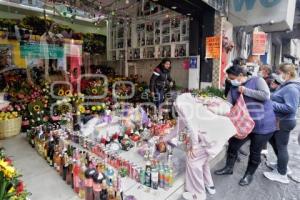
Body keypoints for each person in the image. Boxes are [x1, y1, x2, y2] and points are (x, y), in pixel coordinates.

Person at [215, 65, 276, 186]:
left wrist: (246, 90)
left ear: (241, 76)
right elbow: (228, 104)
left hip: (262, 125)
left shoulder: (257, 80)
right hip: (243, 124)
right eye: (229, 78)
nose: (231, 80)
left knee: (255, 151)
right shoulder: (233, 87)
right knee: (233, 144)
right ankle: (228, 168)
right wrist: (216, 107)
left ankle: (249, 175)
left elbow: (266, 95)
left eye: (233, 78)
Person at [263, 63, 300, 184]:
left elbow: (291, 108)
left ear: (288, 74)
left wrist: (270, 103)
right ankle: (281, 165)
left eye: (281, 73)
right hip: (280, 120)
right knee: (273, 142)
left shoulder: (292, 88)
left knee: (281, 146)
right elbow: (279, 97)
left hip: (284, 122)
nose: (279, 75)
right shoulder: (287, 85)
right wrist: (270, 96)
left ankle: (282, 173)